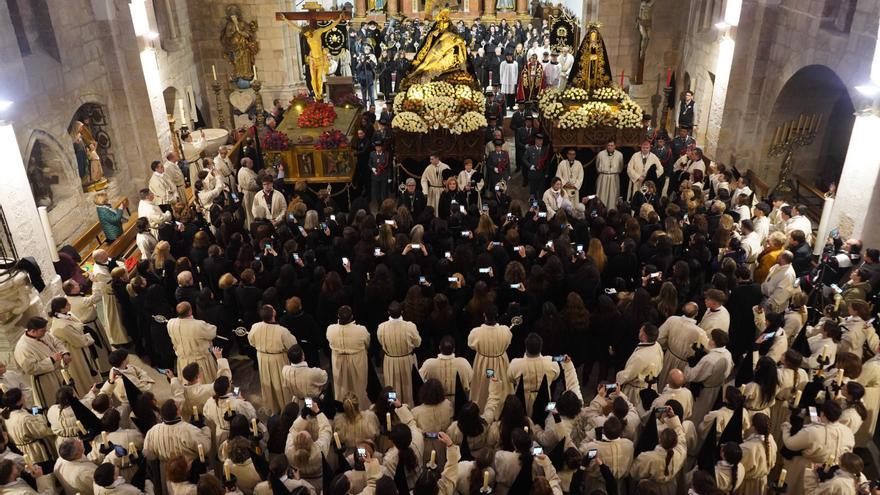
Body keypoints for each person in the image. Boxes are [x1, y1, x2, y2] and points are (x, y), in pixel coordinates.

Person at [248, 305, 296, 414]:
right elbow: (292, 345)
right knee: (280, 383)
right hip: (278, 358)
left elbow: (251, 341)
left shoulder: (255, 327)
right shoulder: (282, 331)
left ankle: (272, 407)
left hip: (262, 357)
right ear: (273, 314)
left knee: (267, 382)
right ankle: (286, 408)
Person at [13, 316, 69, 409]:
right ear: (33, 331)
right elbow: (30, 368)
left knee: (68, 399)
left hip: (58, 372)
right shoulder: (23, 347)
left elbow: (56, 342)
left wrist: (64, 353)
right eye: (43, 330)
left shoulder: (43, 334)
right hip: (45, 380)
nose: (46, 332)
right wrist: (51, 359)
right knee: (53, 404)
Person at [377, 302, 422, 406]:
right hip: (407, 360)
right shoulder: (410, 327)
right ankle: (408, 407)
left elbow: (381, 342)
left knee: (391, 385)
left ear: (388, 313)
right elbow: (418, 343)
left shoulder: (381, 327)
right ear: (402, 312)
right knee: (408, 386)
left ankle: (393, 407)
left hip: (390, 360)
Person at [685, 329, 734, 424]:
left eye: (710, 338)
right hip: (717, 388)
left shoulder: (709, 359)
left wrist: (689, 364)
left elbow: (691, 376)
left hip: (705, 391)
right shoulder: (728, 353)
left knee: (697, 414)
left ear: (713, 341)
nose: (708, 340)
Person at [468, 306, 512, 409]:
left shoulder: (476, 332)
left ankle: (481, 408)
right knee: (501, 386)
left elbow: (471, 344)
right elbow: (508, 342)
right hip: (500, 363)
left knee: (482, 387)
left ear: (484, 315)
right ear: (497, 315)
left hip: (483, 363)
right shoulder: (505, 330)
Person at [327, 306, 370, 408]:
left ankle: (344, 408)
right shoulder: (361, 330)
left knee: (342, 387)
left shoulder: (330, 329)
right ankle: (359, 408)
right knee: (358, 386)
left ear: (338, 316)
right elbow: (367, 343)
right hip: (357, 360)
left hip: (339, 361)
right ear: (352, 317)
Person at [166, 302, 219, 383]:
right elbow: (212, 332)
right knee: (205, 385)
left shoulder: (170, 323)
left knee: (189, 386)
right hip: (200, 363)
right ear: (190, 311)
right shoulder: (198, 325)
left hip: (183, 361)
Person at [615, 324, 663, 406]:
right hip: (650, 386)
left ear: (644, 336)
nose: (639, 331)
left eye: (640, 331)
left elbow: (628, 375)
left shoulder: (640, 357)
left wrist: (618, 379)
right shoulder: (657, 345)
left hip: (637, 391)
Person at [595, 140, 624, 209]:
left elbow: (621, 166)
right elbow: (597, 165)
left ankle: (612, 211)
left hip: (614, 177)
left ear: (615, 146)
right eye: (608, 145)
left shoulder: (619, 155)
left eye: (612, 145)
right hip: (603, 176)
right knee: (601, 195)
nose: (610, 147)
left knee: (613, 196)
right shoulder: (600, 154)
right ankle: (601, 210)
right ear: (606, 146)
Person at [524, 132, 549, 198]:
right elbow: (524, 159)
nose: (539, 142)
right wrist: (530, 166)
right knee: (533, 191)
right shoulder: (530, 149)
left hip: (542, 174)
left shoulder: (545, 150)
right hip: (533, 174)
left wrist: (546, 172)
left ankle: (541, 204)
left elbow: (547, 162)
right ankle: (533, 205)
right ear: (535, 140)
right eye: (537, 140)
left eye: (541, 140)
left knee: (541, 191)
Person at [369, 139, 392, 207]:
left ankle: (385, 206)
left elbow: (389, 166)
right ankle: (379, 205)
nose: (378, 148)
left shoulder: (386, 154)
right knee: (376, 193)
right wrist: (372, 168)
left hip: (383, 176)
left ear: (381, 147)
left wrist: (389, 177)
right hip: (375, 176)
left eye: (379, 147)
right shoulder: (372, 154)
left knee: (384, 193)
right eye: (376, 147)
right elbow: (369, 163)